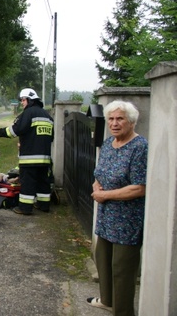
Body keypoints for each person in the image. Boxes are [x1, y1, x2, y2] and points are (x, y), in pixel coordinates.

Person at [86, 100, 148, 316]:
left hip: (127, 220)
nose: (114, 123)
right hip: (105, 217)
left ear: (131, 122)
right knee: (102, 260)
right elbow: (98, 174)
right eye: (111, 119)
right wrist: (96, 185)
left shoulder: (139, 147)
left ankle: (123, 311)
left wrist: (105, 195)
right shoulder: (108, 144)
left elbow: (139, 188)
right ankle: (107, 300)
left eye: (120, 118)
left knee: (122, 270)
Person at [0, 88, 53, 215]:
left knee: (28, 182)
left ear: (29, 100)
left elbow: (15, 130)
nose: (22, 102)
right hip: (45, 158)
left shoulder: (28, 113)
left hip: (30, 157)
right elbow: (51, 137)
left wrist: (0, 132)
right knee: (43, 181)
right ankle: (44, 205)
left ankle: (25, 208)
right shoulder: (47, 116)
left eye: (23, 100)